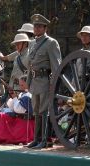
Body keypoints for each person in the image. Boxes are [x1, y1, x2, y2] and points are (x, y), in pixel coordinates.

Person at [26, 14, 61, 149]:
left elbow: (56, 66)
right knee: (36, 110)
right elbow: (30, 65)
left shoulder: (51, 43)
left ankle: (45, 140)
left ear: (45, 28)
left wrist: (54, 84)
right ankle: (36, 139)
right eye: (35, 26)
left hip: (46, 80)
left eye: (39, 26)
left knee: (44, 110)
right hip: (35, 80)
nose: (36, 28)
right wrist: (28, 82)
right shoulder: (32, 43)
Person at [0, 75, 35, 145]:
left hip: (25, 122)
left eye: (22, 85)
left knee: (0, 116)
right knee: (0, 115)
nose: (21, 87)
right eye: (20, 85)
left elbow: (18, 110)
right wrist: (13, 96)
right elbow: (13, 108)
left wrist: (15, 98)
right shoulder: (24, 94)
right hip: (20, 119)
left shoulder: (28, 95)